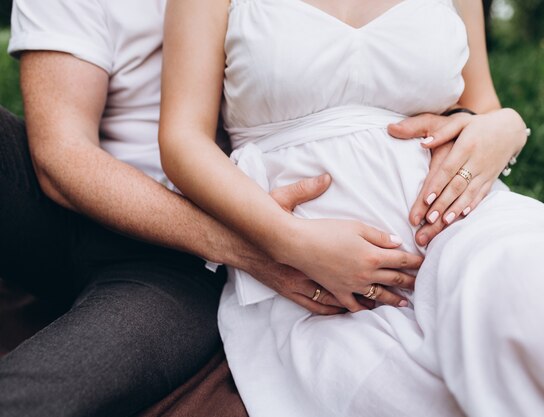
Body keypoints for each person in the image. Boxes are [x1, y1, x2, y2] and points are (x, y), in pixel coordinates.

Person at [0, 0, 512, 415]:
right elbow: (61, 159)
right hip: (135, 220)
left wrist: (500, 124)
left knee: (49, 391)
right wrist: (259, 248)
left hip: (174, 262)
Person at [158, 0, 544, 416]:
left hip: (458, 225)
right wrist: (289, 241)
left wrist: (506, 127)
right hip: (317, 288)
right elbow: (182, 140)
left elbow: (482, 107)